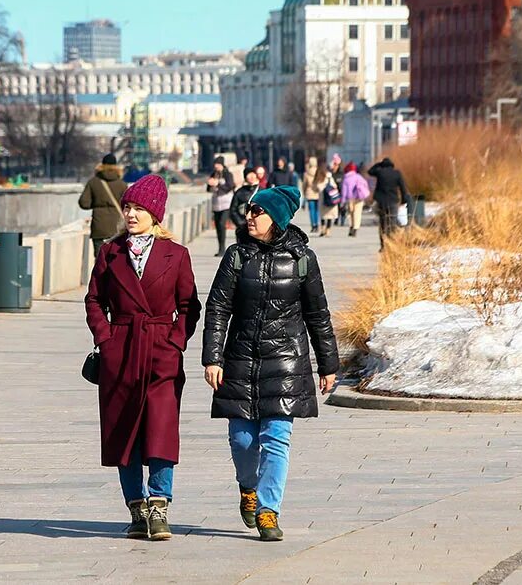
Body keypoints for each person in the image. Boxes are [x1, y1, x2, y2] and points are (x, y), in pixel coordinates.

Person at [201, 185, 339, 542]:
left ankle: (268, 510)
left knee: (276, 438)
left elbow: (318, 314)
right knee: (242, 441)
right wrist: (212, 358)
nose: (249, 217)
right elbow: (217, 309)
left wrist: (328, 365)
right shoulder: (236, 256)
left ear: (275, 219)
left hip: (287, 363)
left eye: (257, 212)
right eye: (249, 210)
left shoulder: (302, 259)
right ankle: (248, 488)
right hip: (240, 360)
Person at [84, 174, 202, 541]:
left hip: (160, 353)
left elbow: (189, 305)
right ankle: (136, 507)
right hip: (120, 351)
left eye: (138, 208)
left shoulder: (177, 255)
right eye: (128, 207)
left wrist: (175, 341)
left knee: (161, 429)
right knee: (125, 431)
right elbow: (93, 299)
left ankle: (160, 505)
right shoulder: (110, 252)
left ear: (155, 214)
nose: (131, 214)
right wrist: (106, 337)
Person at [79, 153, 129, 255]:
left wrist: (98, 204)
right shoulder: (122, 185)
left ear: (101, 165)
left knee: (99, 259)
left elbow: (84, 203)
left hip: (99, 226)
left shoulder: (93, 182)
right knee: (116, 258)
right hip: (117, 227)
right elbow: (127, 205)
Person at [367, 157, 412, 250]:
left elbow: (370, 171)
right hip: (393, 201)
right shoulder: (397, 173)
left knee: (383, 223)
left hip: (381, 201)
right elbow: (403, 188)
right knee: (391, 223)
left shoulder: (380, 172)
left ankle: (383, 245)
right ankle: (390, 243)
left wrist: (379, 164)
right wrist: (404, 200)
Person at [206, 156, 236, 257]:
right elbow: (208, 188)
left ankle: (223, 248)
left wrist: (218, 184)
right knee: (218, 225)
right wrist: (210, 184)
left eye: (218, 164)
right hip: (216, 204)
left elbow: (229, 187)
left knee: (222, 224)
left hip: (226, 203)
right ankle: (220, 248)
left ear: (222, 164)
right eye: (215, 164)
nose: (216, 166)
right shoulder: (213, 174)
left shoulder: (228, 174)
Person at [339, 163, 371, 237]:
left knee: (350, 214)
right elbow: (365, 185)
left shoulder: (346, 178)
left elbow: (344, 191)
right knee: (357, 213)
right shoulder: (359, 177)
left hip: (350, 199)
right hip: (359, 198)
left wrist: (343, 201)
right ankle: (355, 228)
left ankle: (351, 226)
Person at [310, 166, 340, 237]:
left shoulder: (318, 179)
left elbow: (314, 188)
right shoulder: (329, 177)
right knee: (330, 216)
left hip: (323, 200)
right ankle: (328, 230)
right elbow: (335, 186)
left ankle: (323, 229)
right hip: (331, 199)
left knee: (323, 216)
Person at [301, 156, 320, 231]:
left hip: (309, 193)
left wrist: (304, 191)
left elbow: (304, 184)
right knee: (317, 210)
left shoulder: (307, 173)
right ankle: (317, 224)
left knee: (311, 210)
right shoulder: (319, 171)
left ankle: (313, 225)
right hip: (318, 193)